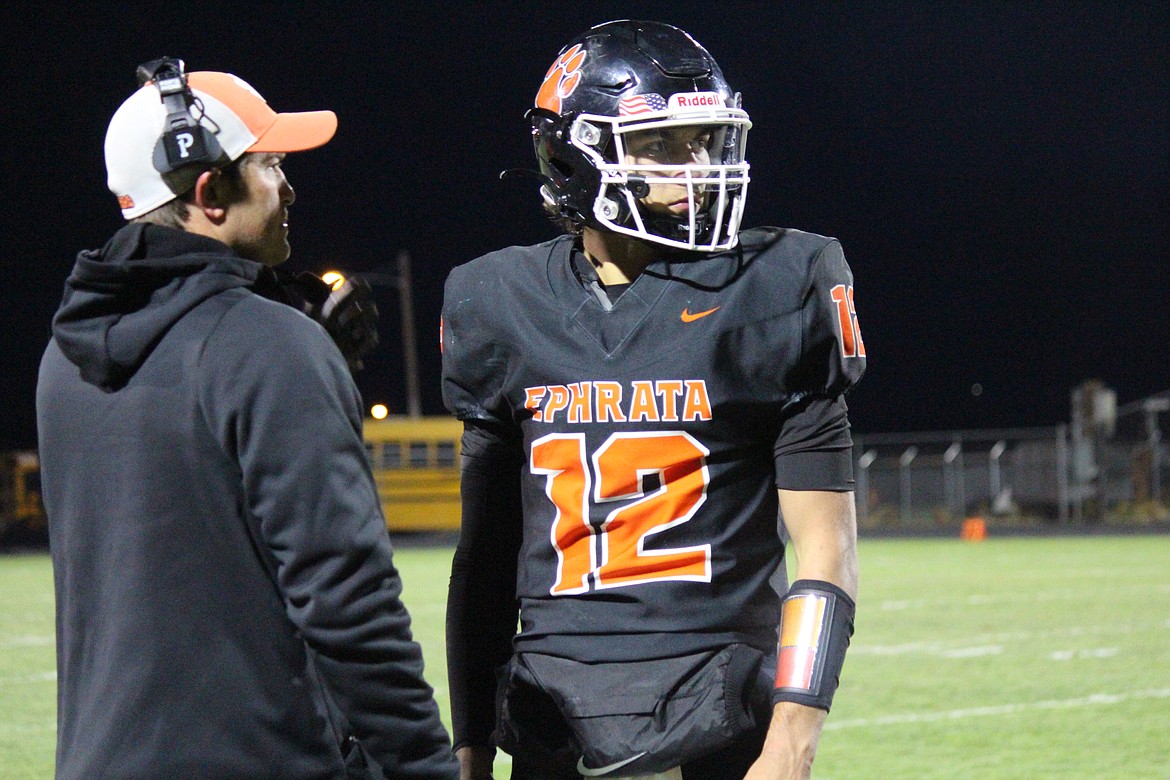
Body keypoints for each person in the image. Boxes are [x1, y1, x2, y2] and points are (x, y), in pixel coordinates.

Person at [442, 20, 865, 780]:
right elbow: (484, 563)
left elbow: (827, 551)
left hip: (724, 711)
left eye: (706, 141)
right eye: (665, 146)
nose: (699, 166)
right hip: (552, 719)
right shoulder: (498, 301)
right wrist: (471, 744)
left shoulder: (781, 283)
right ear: (573, 157)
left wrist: (793, 737)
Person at [37, 58, 458, 780]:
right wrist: (423, 767)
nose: (289, 187)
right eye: (268, 166)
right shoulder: (268, 346)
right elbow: (348, 603)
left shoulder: (63, 357)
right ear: (211, 191)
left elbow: (191, 508)